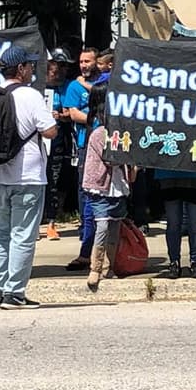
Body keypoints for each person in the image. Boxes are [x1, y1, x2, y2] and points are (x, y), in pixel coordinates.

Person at [0, 46, 57, 309]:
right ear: (21, 69)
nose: (32, 69)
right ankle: (14, 292)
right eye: (29, 65)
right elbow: (50, 132)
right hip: (27, 175)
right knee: (23, 234)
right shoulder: (31, 95)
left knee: (2, 232)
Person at [81, 83, 135, 291]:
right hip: (101, 187)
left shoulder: (122, 134)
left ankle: (109, 266)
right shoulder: (99, 134)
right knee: (102, 226)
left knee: (115, 226)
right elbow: (111, 158)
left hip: (118, 186)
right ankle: (95, 267)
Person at [62, 46, 99, 273]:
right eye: (81, 62)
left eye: (88, 61)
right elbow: (73, 114)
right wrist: (99, 120)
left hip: (107, 144)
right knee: (85, 192)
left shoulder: (106, 81)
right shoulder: (74, 86)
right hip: (86, 145)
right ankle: (86, 240)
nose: (84, 65)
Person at [43, 49, 72, 240]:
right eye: (57, 66)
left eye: (64, 67)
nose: (60, 71)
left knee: (54, 179)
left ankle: (52, 222)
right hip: (36, 141)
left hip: (58, 139)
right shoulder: (35, 85)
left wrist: (61, 116)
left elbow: (72, 111)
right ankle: (37, 220)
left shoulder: (68, 86)